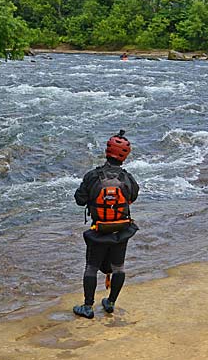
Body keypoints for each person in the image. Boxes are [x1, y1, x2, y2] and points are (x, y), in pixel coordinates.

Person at [72, 130, 139, 318]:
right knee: (119, 268)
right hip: (121, 231)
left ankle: (87, 307)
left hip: (98, 230)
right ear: (125, 156)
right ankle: (110, 303)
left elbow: (79, 200)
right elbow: (133, 197)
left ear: (106, 152)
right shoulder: (127, 178)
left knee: (91, 267)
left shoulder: (92, 176)